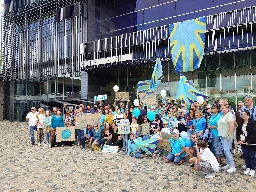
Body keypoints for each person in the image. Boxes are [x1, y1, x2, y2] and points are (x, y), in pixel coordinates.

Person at [236, 110, 256, 177]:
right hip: (243, 142)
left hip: (251, 143)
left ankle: (252, 169)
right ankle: (248, 167)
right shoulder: (240, 123)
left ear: (248, 115)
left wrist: (249, 141)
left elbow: (254, 133)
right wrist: (238, 140)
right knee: (246, 155)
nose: (243, 116)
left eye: (244, 114)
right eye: (242, 114)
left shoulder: (253, 122)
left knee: (251, 155)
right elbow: (238, 132)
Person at [217, 104, 236, 173]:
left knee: (227, 151)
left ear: (228, 109)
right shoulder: (222, 115)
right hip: (222, 135)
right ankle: (229, 164)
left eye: (224, 108)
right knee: (225, 151)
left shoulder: (230, 115)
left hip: (227, 136)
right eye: (222, 108)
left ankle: (232, 166)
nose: (223, 109)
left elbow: (231, 126)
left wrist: (228, 135)